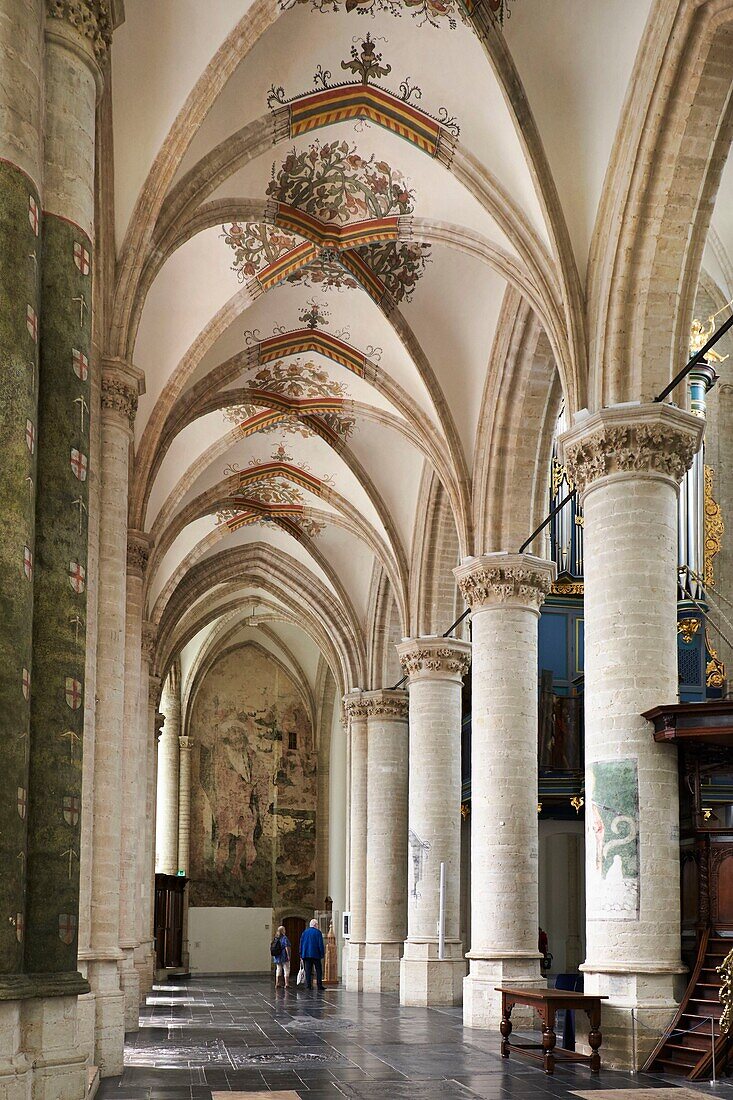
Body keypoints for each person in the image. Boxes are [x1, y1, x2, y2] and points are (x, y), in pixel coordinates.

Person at [299, 918, 325, 990]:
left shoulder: (304, 932)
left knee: (308, 971)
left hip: (306, 954)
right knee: (318, 970)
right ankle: (319, 985)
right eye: (317, 924)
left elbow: (301, 944)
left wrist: (301, 953)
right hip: (316, 954)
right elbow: (320, 944)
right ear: (315, 925)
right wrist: (322, 953)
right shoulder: (318, 932)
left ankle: (308, 985)